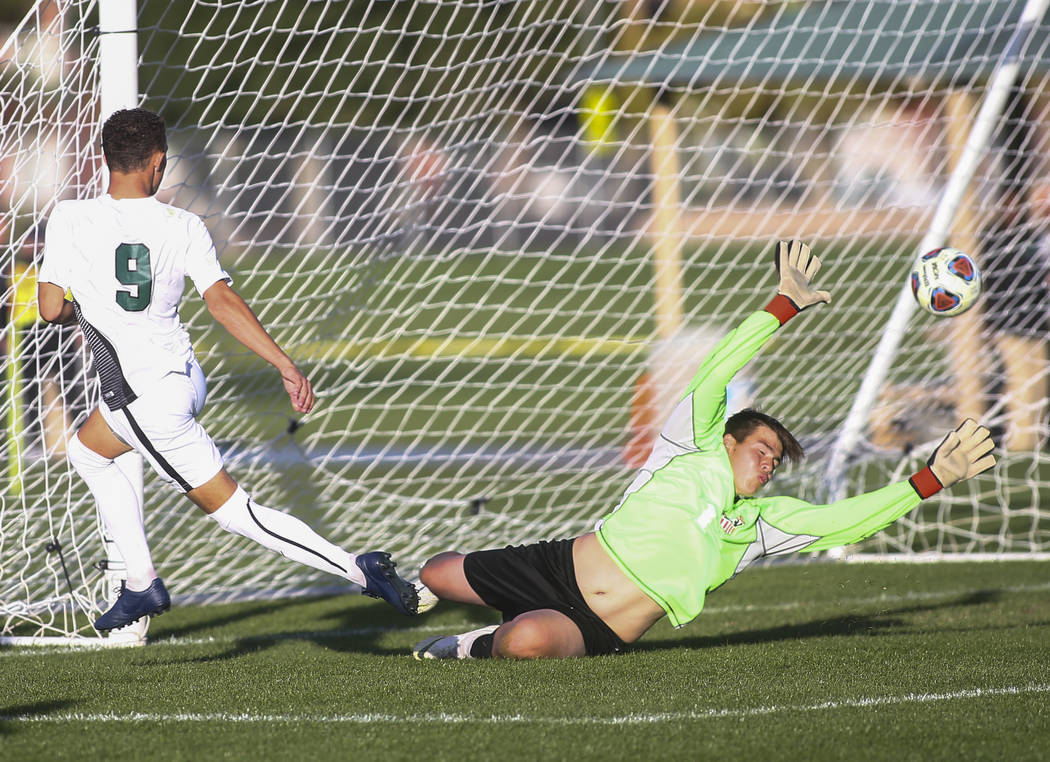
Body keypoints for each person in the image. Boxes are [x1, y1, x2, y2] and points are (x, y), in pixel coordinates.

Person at [412, 240, 997, 660]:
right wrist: (781, 306)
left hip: (597, 627)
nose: (769, 465)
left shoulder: (760, 523)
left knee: (524, 642)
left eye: (776, 463)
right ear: (726, 440)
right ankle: (443, 598)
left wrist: (930, 479)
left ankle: (475, 643)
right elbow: (716, 373)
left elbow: (841, 524)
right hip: (555, 563)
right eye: (763, 449)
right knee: (434, 574)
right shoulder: (685, 448)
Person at [37, 108, 420, 633]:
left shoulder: (68, 219)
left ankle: (357, 567)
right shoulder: (184, 225)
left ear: (104, 160)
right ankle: (138, 582)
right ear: (158, 162)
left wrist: (85, 296)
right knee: (88, 450)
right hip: (182, 377)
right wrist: (284, 363)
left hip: (142, 398)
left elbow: (49, 308)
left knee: (236, 514)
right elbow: (219, 299)